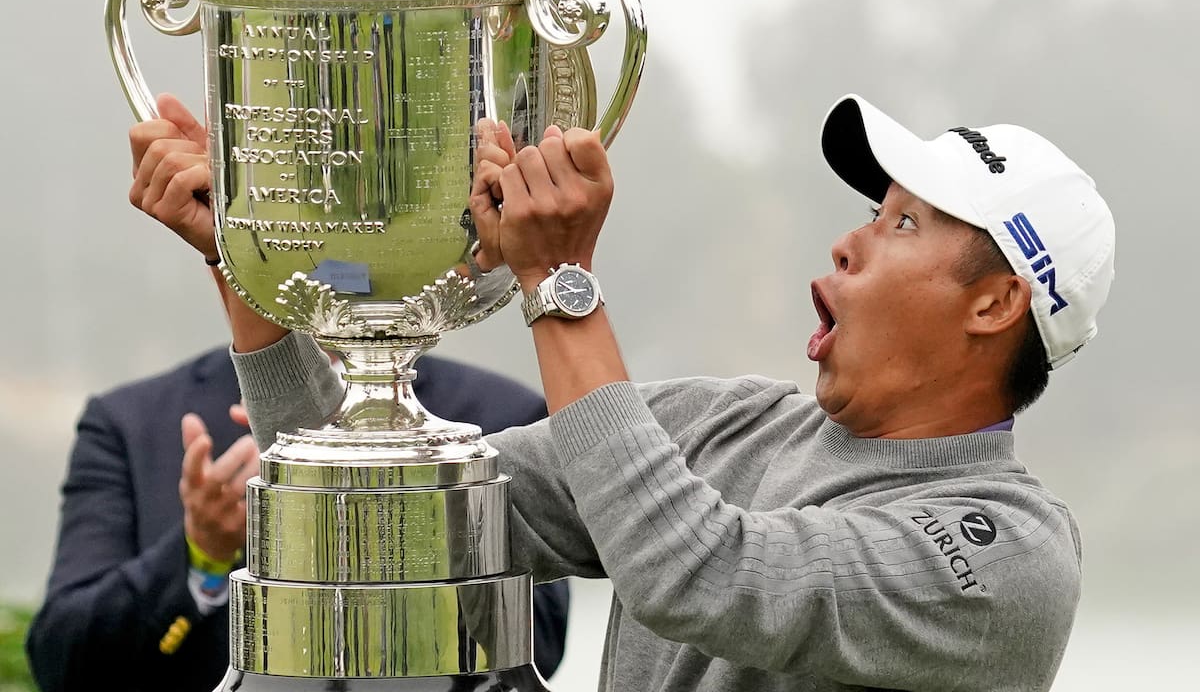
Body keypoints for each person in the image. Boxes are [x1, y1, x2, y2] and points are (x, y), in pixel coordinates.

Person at [132, 92, 1115, 691]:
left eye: (904, 226)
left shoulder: (1008, 555)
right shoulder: (724, 421)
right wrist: (245, 270)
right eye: (872, 209)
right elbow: (364, 521)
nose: (848, 240)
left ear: (994, 304)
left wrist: (559, 283)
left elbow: (697, 570)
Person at [25, 99, 570, 692]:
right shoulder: (129, 422)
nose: (338, 231)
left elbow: (538, 643)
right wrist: (202, 556)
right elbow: (62, 662)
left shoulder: (501, 417)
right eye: (312, 197)